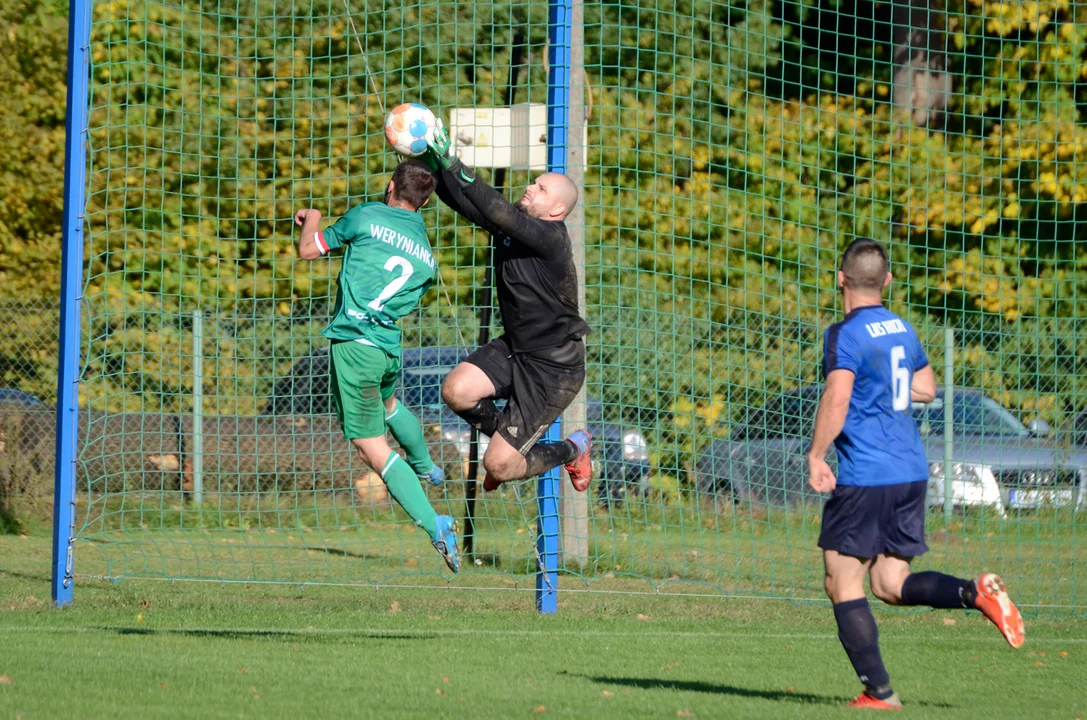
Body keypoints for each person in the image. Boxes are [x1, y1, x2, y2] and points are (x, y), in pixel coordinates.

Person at [807, 238, 1024, 710]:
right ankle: (975, 593)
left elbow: (838, 398)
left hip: (868, 474)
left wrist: (817, 454)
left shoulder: (843, 333)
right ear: (886, 281)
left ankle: (879, 693)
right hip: (911, 471)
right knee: (889, 583)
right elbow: (925, 387)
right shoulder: (900, 327)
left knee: (841, 582)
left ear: (839, 278)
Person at [294, 159, 459, 573]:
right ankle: (425, 465)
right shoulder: (426, 258)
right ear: (422, 204)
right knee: (389, 403)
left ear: (390, 187)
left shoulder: (365, 216)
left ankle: (434, 522)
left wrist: (311, 217)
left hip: (354, 345)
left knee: (372, 449)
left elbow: (308, 249)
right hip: (387, 348)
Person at [423, 120, 593, 493]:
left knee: (499, 464)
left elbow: (498, 210)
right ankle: (508, 449)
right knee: (456, 390)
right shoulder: (517, 230)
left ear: (557, 209)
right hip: (517, 348)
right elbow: (466, 202)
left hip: (553, 367)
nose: (530, 187)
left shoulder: (549, 238)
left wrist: (453, 162)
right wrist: (433, 163)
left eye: (541, 188)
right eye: (534, 183)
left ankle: (572, 448)